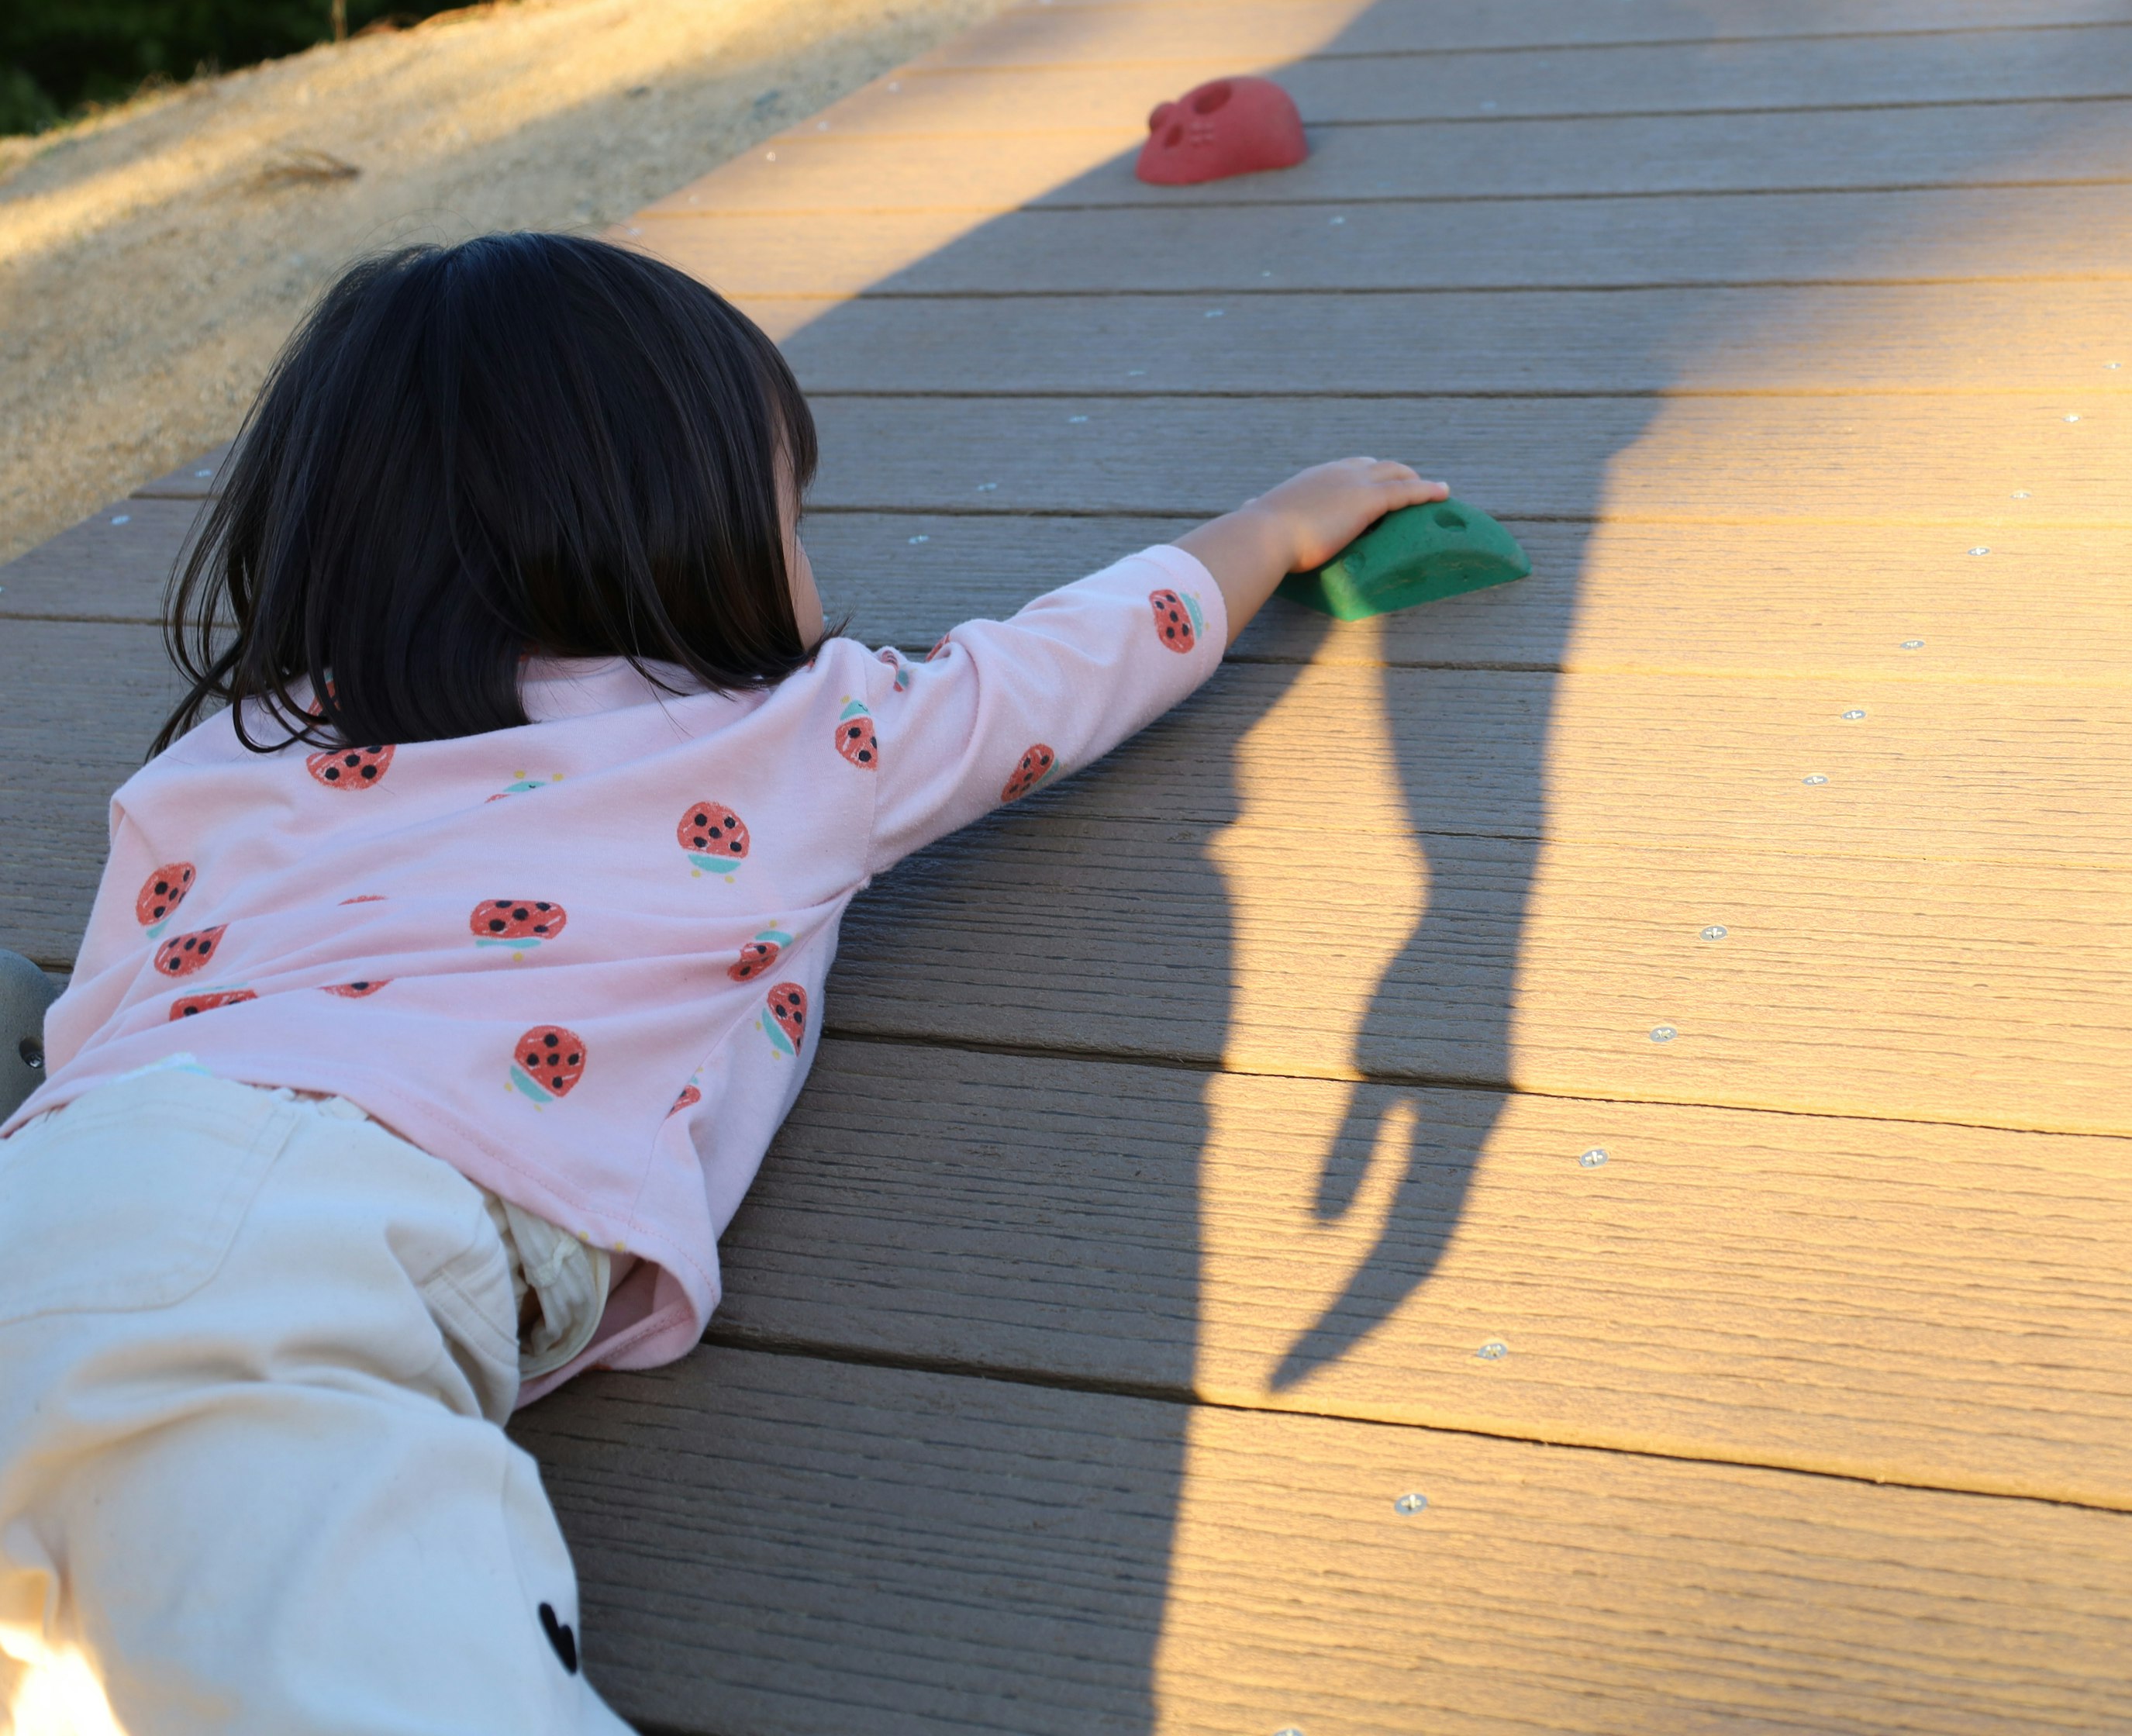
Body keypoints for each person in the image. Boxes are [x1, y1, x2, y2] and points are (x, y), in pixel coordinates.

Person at [0, 232, 1447, 1733]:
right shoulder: (784, 732)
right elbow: (1053, 674)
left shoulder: (226, 754)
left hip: (64, 1181)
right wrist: (1275, 526)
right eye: (791, 507)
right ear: (673, 523)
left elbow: (110, 1012)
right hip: (304, 1228)